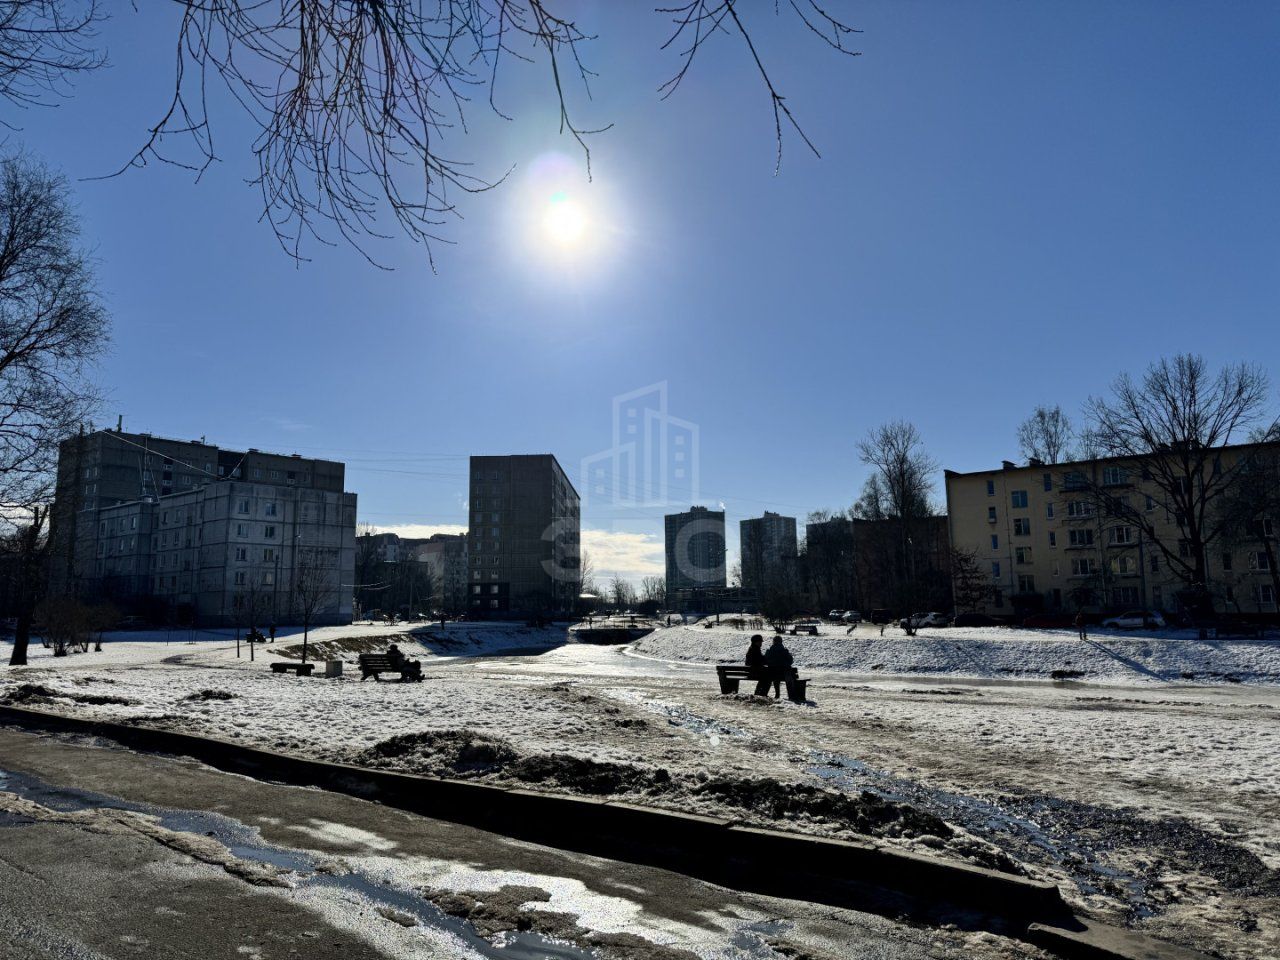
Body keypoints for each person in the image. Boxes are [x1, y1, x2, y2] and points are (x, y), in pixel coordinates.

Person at [763, 635, 794, 700]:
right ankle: (790, 695)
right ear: (781, 642)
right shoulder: (784, 650)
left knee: (775, 677)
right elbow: (790, 661)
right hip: (783, 674)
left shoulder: (769, 651)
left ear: (773, 642)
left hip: (772, 674)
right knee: (786, 675)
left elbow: (765, 661)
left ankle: (777, 694)